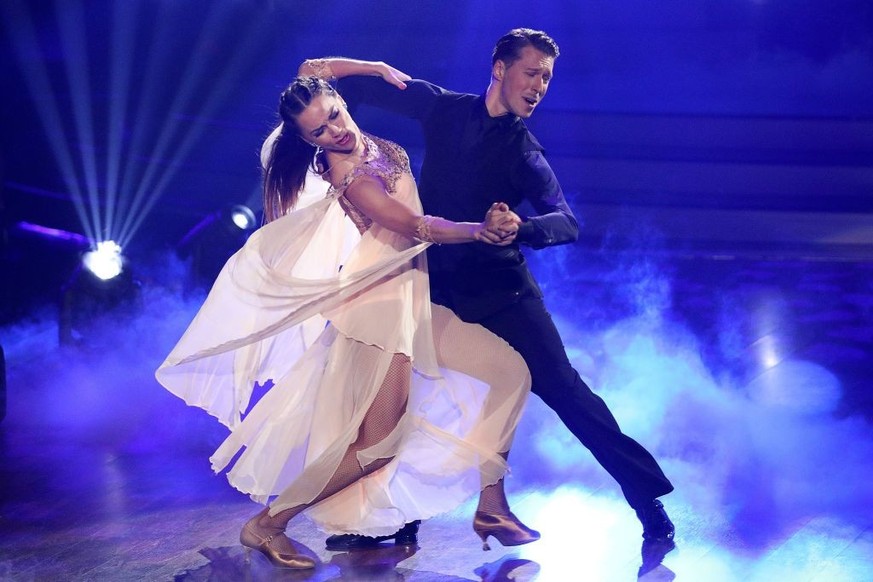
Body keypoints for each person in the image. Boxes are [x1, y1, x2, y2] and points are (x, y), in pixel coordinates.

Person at [304, 27, 676, 550]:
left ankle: (646, 501)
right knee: (408, 403)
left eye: (546, 77)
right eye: (532, 72)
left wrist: (520, 229)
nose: (539, 85)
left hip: (504, 296)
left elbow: (566, 221)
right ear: (500, 69)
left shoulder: (524, 150)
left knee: (566, 393)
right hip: (433, 286)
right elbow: (314, 75)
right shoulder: (443, 108)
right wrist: (373, 69)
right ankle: (389, 520)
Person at [156, 74, 541, 570]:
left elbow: (315, 65)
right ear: (307, 141)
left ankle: (491, 506)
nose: (334, 132)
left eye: (333, 115)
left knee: (510, 372)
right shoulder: (348, 175)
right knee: (377, 446)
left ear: (339, 100)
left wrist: (378, 68)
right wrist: (479, 231)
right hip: (378, 309)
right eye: (318, 133)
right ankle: (268, 524)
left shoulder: (364, 135)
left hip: (412, 300)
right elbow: (414, 226)